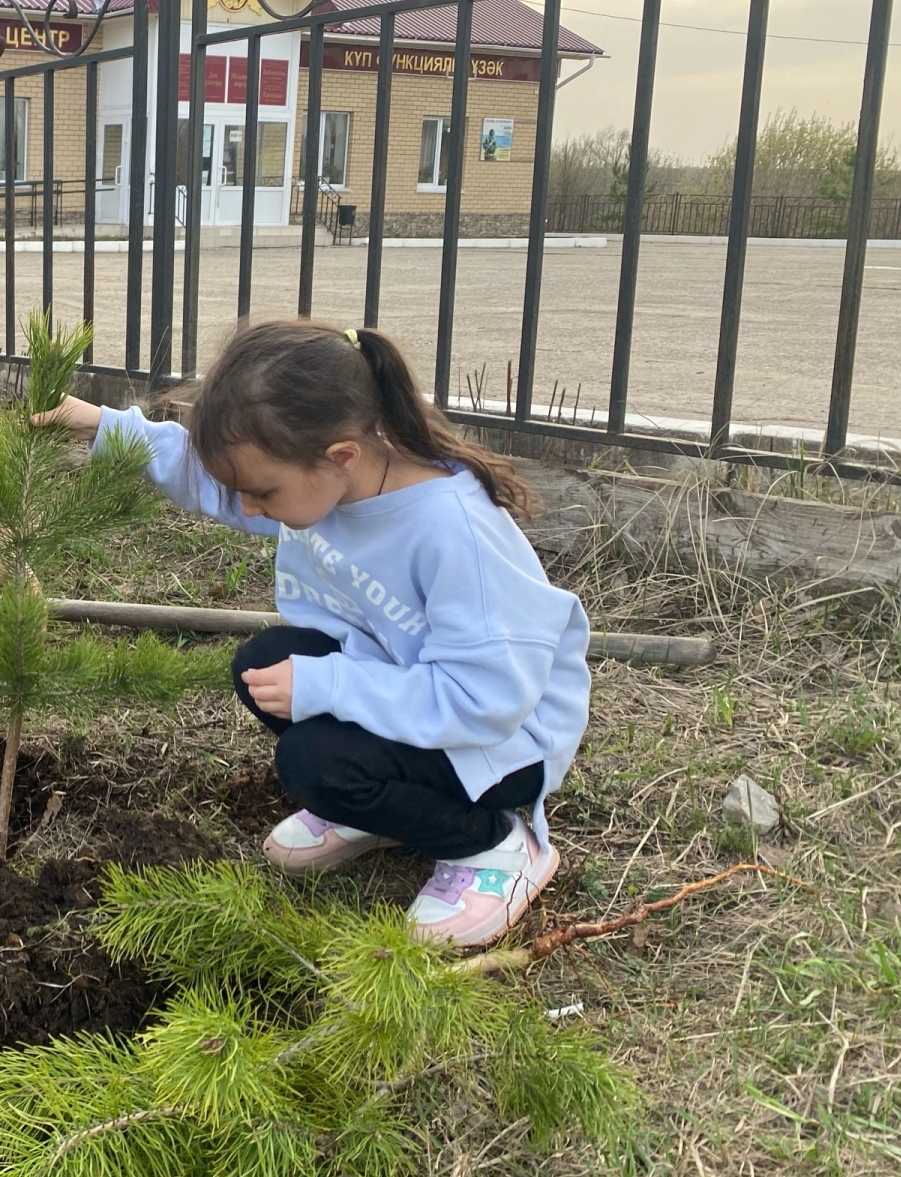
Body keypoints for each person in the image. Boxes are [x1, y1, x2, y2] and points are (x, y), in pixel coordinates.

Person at [41, 320, 589, 947]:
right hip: (410, 686)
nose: (246, 508)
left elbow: (483, 701)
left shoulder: (453, 532)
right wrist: (102, 426)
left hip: (504, 742)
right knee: (264, 665)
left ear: (340, 458)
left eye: (262, 492)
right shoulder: (331, 483)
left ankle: (491, 847)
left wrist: (330, 683)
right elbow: (209, 476)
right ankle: (377, 812)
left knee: (313, 764)